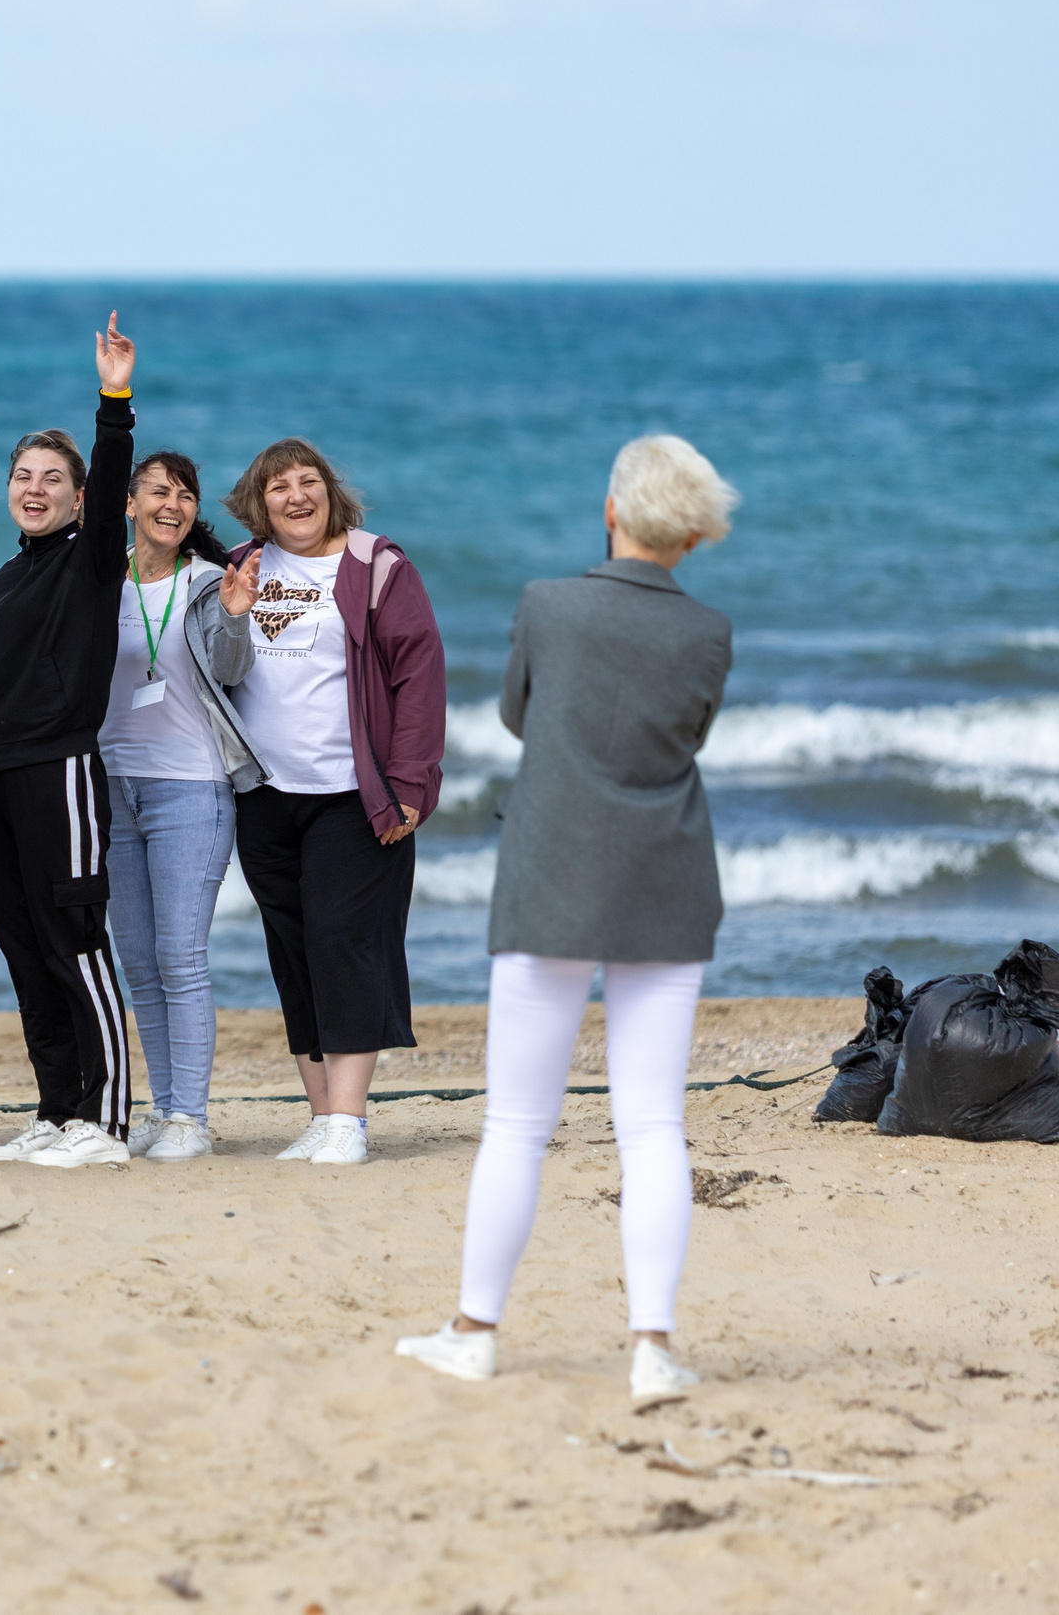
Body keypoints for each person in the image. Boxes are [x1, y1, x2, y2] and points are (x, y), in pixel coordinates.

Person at [397, 435, 736, 1403]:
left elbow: (516, 714)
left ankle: (474, 1330)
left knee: (515, 1124)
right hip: (665, 876)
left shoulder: (549, 603)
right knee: (653, 1125)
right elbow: (685, 734)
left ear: (612, 511)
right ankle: (653, 1346)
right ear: (695, 536)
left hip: (552, 875)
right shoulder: (707, 631)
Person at [223, 438, 446, 1167]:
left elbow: (419, 675)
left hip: (354, 796)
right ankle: (321, 1117)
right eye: (278, 485)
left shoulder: (377, 565)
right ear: (259, 502)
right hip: (265, 795)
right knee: (293, 949)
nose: (295, 496)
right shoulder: (242, 567)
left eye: (307, 481)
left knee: (344, 943)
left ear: (329, 491)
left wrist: (412, 783)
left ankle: (349, 1118)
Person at [0, 314, 142, 1170]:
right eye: (23, 476)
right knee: (23, 945)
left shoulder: (90, 557)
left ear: (76, 495)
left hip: (60, 768)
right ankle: (58, 1108)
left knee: (74, 938)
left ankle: (105, 1120)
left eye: (51, 479)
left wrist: (113, 401)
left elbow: (113, 495)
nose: (33, 488)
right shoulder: (7, 574)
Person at [97, 452, 265, 1162]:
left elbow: (232, 671)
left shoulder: (208, 583)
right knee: (137, 958)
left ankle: (190, 1117)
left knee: (180, 954)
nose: (173, 503)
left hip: (190, 785)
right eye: (158, 491)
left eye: (185, 495)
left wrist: (233, 617)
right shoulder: (99, 581)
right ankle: (163, 1109)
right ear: (128, 502)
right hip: (110, 784)